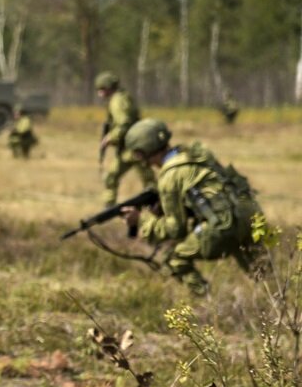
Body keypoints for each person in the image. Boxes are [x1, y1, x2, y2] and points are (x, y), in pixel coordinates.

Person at [121, 118, 265, 297]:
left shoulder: (170, 176)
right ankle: (282, 307)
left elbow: (176, 230)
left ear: (144, 150)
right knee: (263, 273)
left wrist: (142, 220)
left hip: (224, 225)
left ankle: (209, 304)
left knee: (173, 258)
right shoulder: (194, 155)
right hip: (249, 215)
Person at [95, 71, 155, 206]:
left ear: (107, 88)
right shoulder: (120, 98)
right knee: (111, 177)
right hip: (128, 148)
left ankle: (159, 206)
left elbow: (124, 123)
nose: (99, 94)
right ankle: (108, 208)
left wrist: (111, 137)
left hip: (134, 148)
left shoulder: (117, 101)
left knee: (149, 182)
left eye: (101, 89)